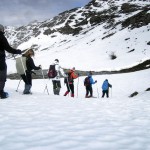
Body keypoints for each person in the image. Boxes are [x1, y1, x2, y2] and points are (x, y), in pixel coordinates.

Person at [0, 24, 22, 99]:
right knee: (2, 77)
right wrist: (17, 51)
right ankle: (1, 93)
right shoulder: (1, 37)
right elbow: (8, 48)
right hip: (0, 61)